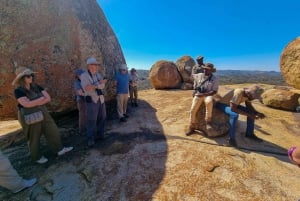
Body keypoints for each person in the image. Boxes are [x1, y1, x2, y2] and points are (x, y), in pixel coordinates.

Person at [12, 67, 73, 164]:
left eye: (32, 75)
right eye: (28, 76)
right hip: (29, 115)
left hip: (43, 112)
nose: (31, 77)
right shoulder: (18, 91)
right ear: (22, 78)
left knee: (53, 130)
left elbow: (48, 98)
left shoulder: (36, 86)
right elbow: (26, 104)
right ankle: (36, 157)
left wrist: (34, 102)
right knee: (33, 137)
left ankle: (59, 149)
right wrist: (40, 100)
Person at [80, 57, 107, 147]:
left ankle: (101, 135)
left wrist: (97, 85)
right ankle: (90, 138)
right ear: (89, 66)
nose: (95, 66)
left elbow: (102, 85)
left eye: (96, 65)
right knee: (91, 120)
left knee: (102, 118)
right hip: (91, 100)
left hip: (100, 99)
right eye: (93, 64)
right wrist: (98, 84)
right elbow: (87, 88)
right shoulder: (84, 76)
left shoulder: (98, 74)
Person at [186, 63, 219, 135]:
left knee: (209, 102)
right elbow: (191, 76)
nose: (205, 70)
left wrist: (204, 94)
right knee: (192, 110)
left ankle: (208, 122)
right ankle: (192, 126)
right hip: (199, 94)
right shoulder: (200, 75)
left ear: (211, 71)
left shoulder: (215, 79)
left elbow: (214, 91)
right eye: (204, 69)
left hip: (208, 94)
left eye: (207, 69)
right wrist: (187, 69)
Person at [74, 68, 87, 134]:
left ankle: (87, 128)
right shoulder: (77, 82)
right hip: (81, 100)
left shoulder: (85, 81)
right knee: (82, 115)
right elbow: (80, 92)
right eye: (82, 75)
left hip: (86, 99)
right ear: (78, 76)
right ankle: (82, 130)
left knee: (87, 114)